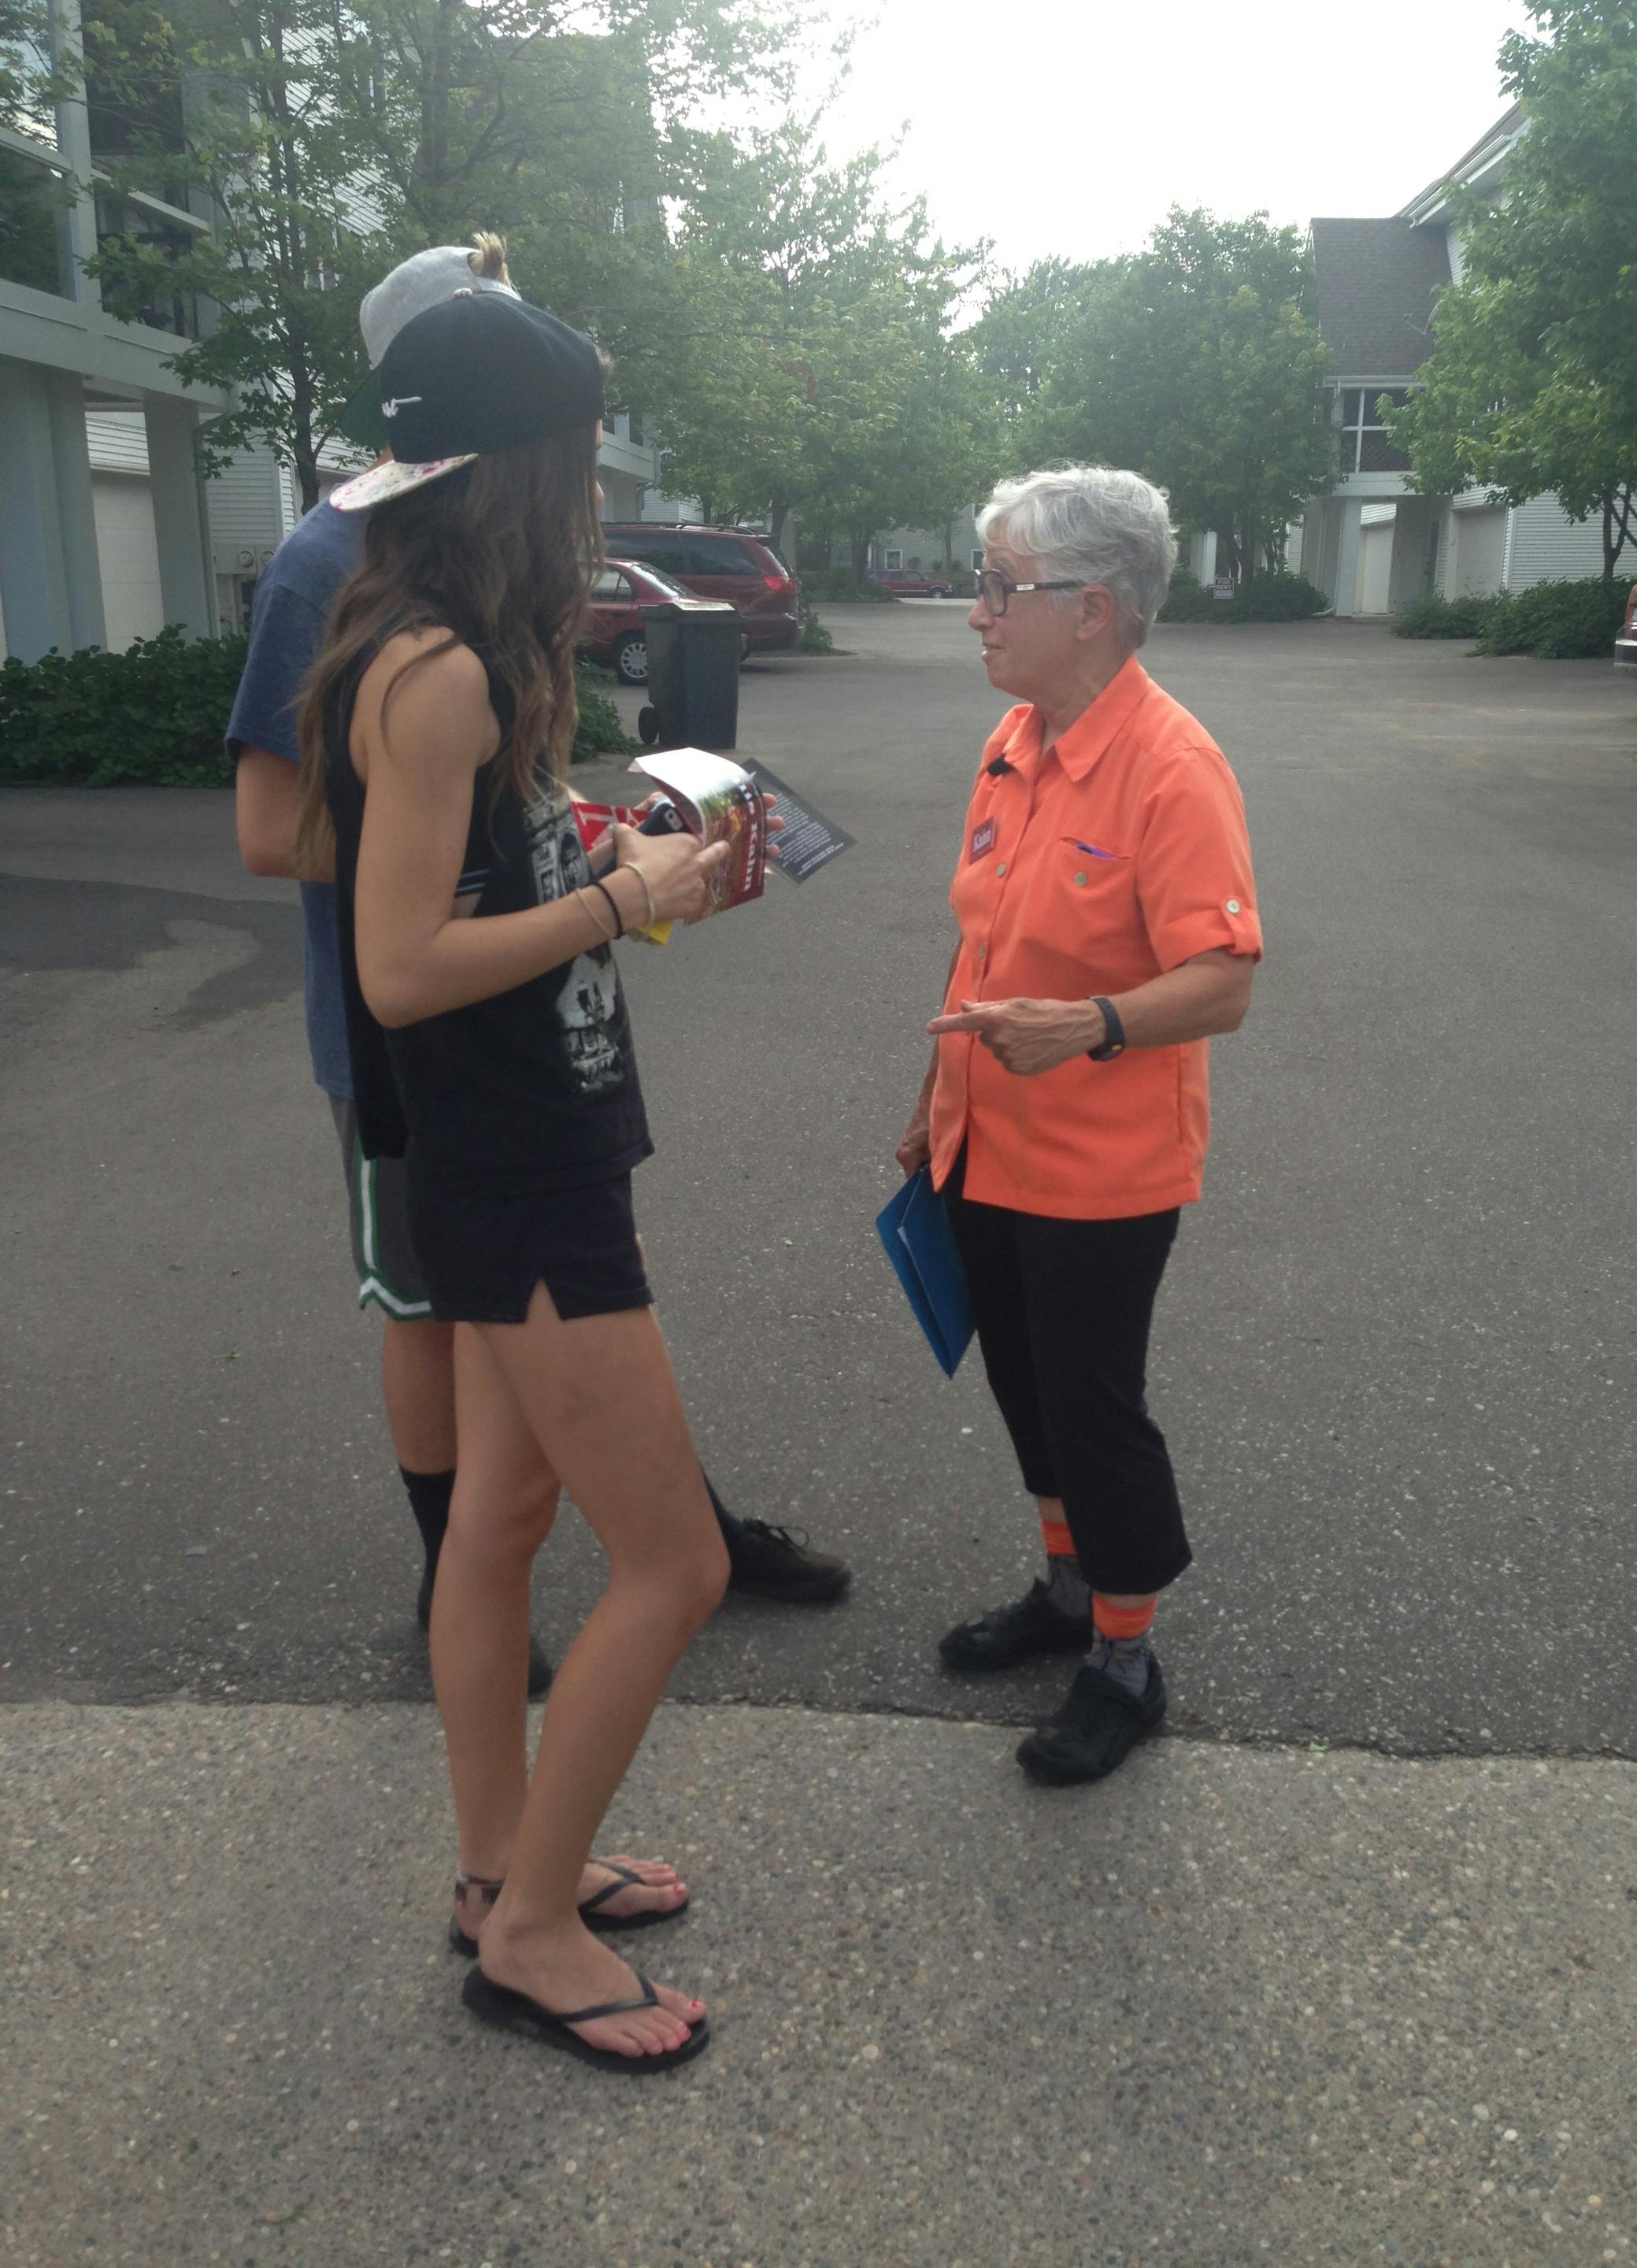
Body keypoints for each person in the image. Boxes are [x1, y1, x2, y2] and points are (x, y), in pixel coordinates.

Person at [228, 239, 848, 1702]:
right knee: (435, 1306)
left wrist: (567, 839)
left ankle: (605, 1550)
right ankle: (467, 1587)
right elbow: (276, 831)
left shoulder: (485, 574)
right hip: (425, 1046)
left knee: (559, 1331)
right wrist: (552, 888)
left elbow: (476, 801)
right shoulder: (345, 568)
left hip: (518, 1020)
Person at [297, 289, 729, 2070]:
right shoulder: (444, 671)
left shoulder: (441, 635)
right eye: (586, 463)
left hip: (505, 1150)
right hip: (521, 1167)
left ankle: (500, 1872)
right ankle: (534, 1936)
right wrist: (623, 902)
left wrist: (597, 848)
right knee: (677, 1564)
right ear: (525, 472)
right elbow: (399, 968)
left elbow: (468, 883)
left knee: (503, 1522)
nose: (601, 498)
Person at [897, 465, 1261, 1788]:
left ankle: (1125, 1659)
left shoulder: (1173, 768)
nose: (977, 611)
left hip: (1104, 1167)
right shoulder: (1016, 742)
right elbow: (980, 947)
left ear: (1092, 608)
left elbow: (1225, 980)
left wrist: (1096, 1025)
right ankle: (1065, 1592)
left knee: (1094, 1405)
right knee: (1019, 1385)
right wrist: (928, 1109)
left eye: (1001, 587)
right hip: (984, 1141)